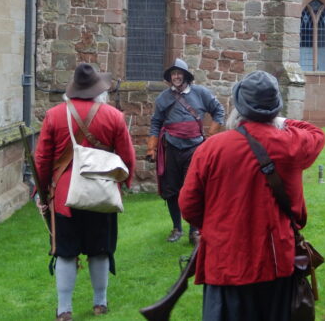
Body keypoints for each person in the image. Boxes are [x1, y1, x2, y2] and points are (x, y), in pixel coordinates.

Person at [179, 71, 325, 321]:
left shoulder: (210, 148)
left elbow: (189, 206)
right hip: (276, 261)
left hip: (225, 261)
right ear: (275, 108)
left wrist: (218, 226)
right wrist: (280, 120)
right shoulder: (291, 144)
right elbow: (315, 133)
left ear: (239, 107)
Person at [35, 63, 136, 320]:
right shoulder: (114, 116)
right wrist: (124, 184)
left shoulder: (54, 115)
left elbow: (42, 160)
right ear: (97, 90)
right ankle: (100, 303)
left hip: (63, 198)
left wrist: (41, 192)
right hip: (101, 193)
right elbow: (126, 157)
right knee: (100, 249)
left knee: (66, 252)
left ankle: (64, 309)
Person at [145, 59, 225, 244]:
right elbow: (156, 123)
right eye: (173, 74)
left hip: (195, 148)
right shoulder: (163, 98)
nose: (176, 76)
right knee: (172, 190)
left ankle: (194, 231)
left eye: (179, 73)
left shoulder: (201, 93)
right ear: (170, 77)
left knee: (193, 189)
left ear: (186, 76)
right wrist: (151, 148)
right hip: (171, 148)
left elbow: (218, 112)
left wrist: (210, 137)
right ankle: (176, 228)